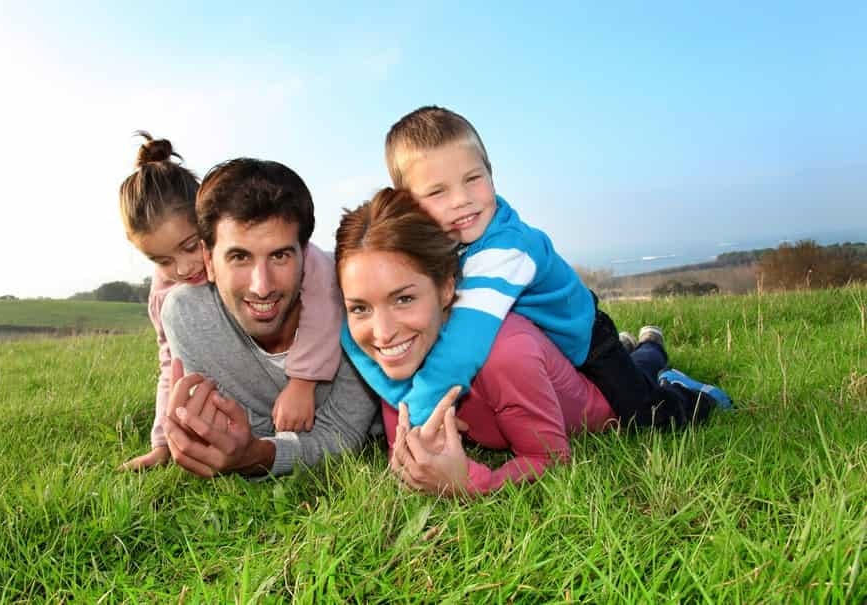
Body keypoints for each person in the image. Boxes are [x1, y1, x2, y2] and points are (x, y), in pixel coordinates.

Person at [341, 106, 731, 430]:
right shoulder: (430, 244)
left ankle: (685, 390)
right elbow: (354, 329)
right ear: (408, 201)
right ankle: (647, 348)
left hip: (581, 335)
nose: (462, 200)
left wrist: (420, 416)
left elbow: (463, 345)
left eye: (473, 179)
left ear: (491, 173)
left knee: (645, 416)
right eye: (438, 191)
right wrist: (399, 396)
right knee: (622, 376)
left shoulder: (507, 249)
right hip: (540, 345)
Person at [336, 188, 620, 495]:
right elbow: (403, 460)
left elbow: (549, 457)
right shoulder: (394, 355)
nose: (382, 333)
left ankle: (651, 354)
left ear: (446, 289)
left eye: (403, 299)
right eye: (360, 308)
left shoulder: (507, 354)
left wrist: (471, 483)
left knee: (653, 371)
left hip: (601, 407)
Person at [116, 133, 345, 471]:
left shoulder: (319, 268)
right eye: (162, 261)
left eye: (190, 246)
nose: (183, 268)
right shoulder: (172, 299)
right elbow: (171, 368)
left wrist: (303, 382)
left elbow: (326, 309)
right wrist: (164, 440)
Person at [159, 158, 381, 478]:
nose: (261, 286)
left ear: (305, 253)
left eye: (279, 256)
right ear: (208, 260)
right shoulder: (187, 316)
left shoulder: (353, 299)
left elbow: (343, 434)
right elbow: (239, 430)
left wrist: (257, 455)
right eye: (239, 257)